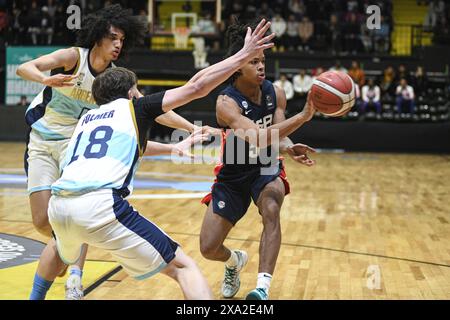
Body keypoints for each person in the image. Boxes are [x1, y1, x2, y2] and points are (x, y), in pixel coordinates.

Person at [27, 18, 275, 301]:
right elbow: (197, 86)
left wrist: (174, 149)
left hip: (60, 208)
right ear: (131, 92)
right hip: (100, 206)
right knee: (184, 267)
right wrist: (241, 55)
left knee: (59, 249)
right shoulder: (136, 108)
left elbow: (131, 146)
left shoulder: (85, 120)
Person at [17, 4, 213, 300]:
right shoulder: (74, 57)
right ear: (98, 37)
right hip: (44, 140)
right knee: (44, 222)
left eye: (122, 39)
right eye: (112, 38)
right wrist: (45, 79)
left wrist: (190, 127)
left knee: (78, 204)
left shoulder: (113, 80)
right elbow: (24, 67)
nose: (118, 44)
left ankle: (74, 278)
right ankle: (61, 254)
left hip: (75, 144)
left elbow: (151, 109)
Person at [199, 21, 316, 301]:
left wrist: (288, 148)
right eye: (254, 61)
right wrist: (302, 117)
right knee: (208, 248)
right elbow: (261, 137)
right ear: (238, 66)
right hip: (234, 170)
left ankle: (262, 288)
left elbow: (276, 135)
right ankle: (234, 262)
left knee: (272, 206)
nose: (261, 66)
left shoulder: (275, 92)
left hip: (266, 166)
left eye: (263, 60)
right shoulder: (226, 103)